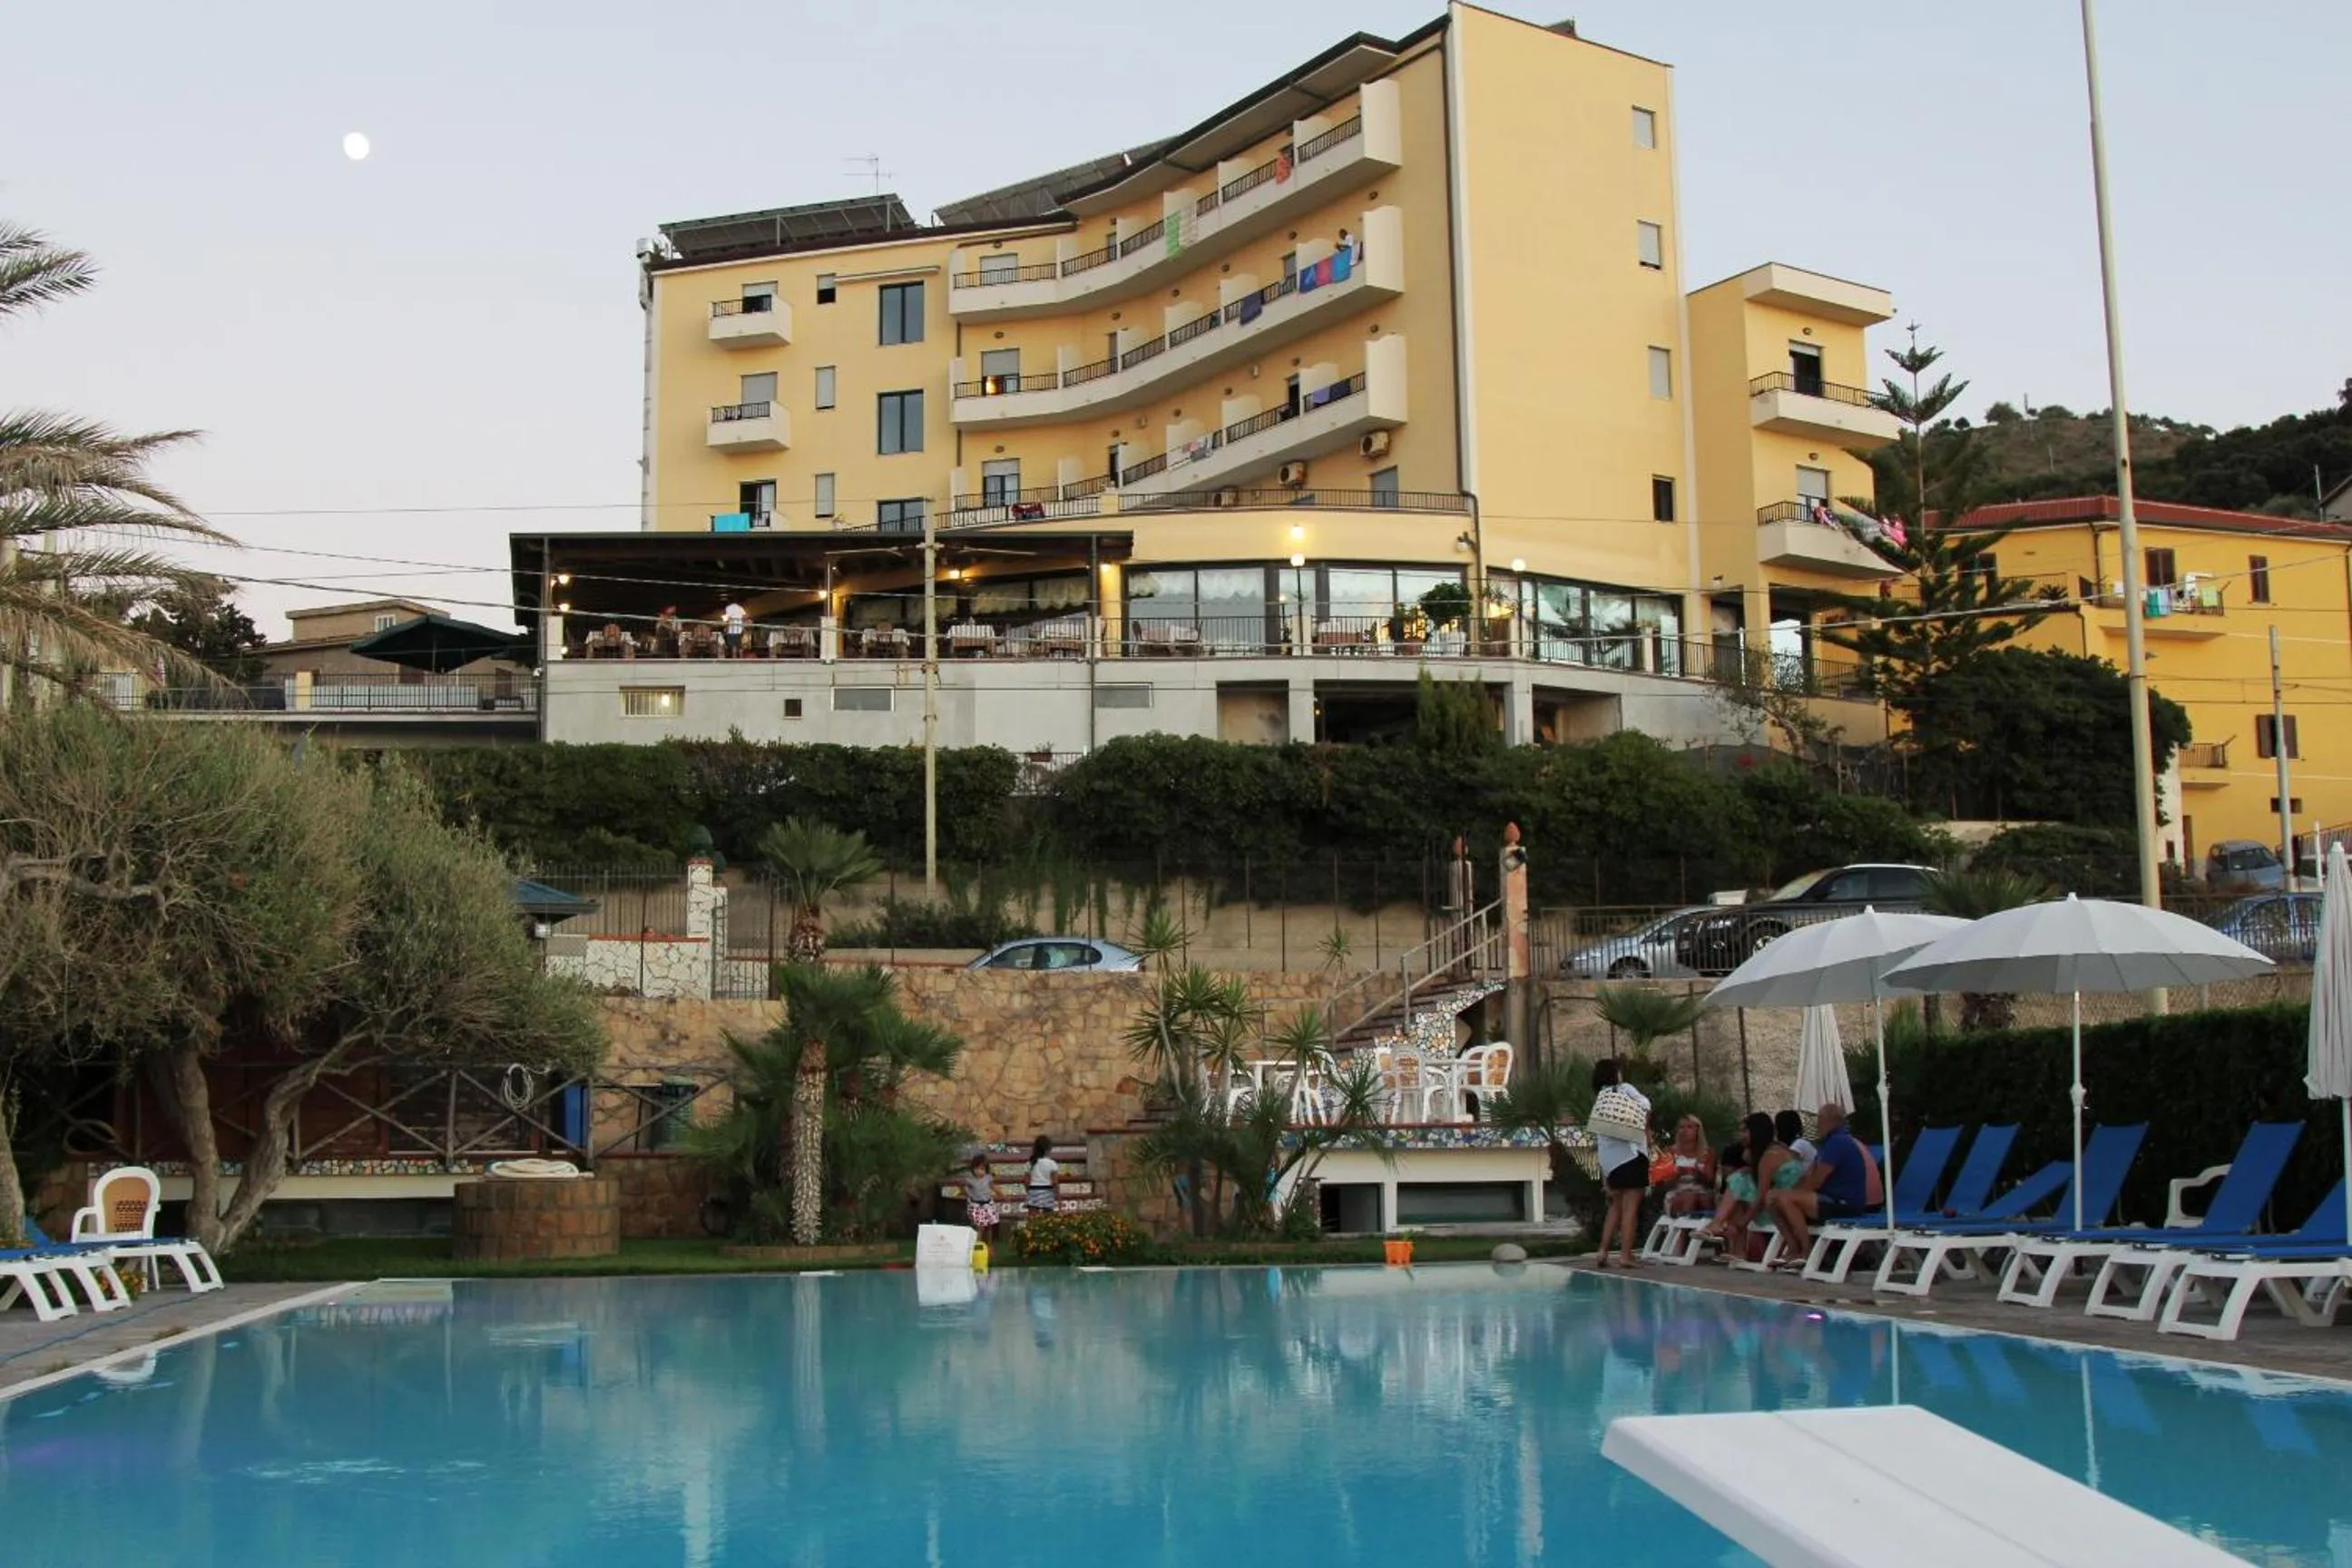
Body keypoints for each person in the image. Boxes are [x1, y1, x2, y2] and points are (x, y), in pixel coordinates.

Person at [1762, 1102, 1873, 1264]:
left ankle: (1805, 1251)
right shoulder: (1829, 1143)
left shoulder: (1838, 1143)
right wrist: (1790, 1191)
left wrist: (1791, 1194)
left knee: (1785, 1199)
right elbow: (1809, 1176)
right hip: (1829, 1198)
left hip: (1845, 1203)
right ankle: (1792, 1248)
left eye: (1819, 1120)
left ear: (1830, 1121)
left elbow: (1816, 1180)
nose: (1817, 1125)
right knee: (1772, 1199)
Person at [1588, 1058, 1651, 1269]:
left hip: (1610, 1162)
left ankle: (1602, 1251)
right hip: (1631, 1155)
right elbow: (1646, 1106)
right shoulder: (1625, 1089)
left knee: (1615, 1206)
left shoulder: (1601, 1098)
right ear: (1616, 1074)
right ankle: (1625, 1255)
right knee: (1630, 1207)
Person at [1659, 1115, 1716, 1217]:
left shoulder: (1708, 1153)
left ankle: (1700, 1229)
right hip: (1676, 1192)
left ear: (1698, 1130)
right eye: (1681, 1127)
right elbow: (1664, 1185)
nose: (1684, 1131)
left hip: (1701, 1191)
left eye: (1689, 1127)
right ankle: (1684, 1231)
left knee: (1704, 1197)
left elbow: (1710, 1182)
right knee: (1690, 1197)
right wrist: (1677, 1174)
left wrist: (1697, 1174)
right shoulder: (1669, 1152)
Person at [963, 1152, 999, 1244]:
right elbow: (964, 1187)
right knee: (980, 1227)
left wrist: (1003, 1195)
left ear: (986, 1170)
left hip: (988, 1204)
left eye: (982, 1169)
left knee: (990, 1226)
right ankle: (978, 1244)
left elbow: (993, 1187)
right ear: (973, 1168)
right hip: (977, 1205)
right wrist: (967, 1193)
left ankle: (989, 1244)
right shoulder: (970, 1179)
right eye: (976, 1168)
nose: (979, 1171)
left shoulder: (988, 1178)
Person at [1024, 1134, 1060, 1216]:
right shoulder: (1052, 1163)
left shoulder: (1030, 1163)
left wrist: (1029, 1191)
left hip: (1033, 1189)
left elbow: (1026, 1181)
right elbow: (1055, 1182)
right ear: (1048, 1149)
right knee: (1048, 1217)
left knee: (1032, 1217)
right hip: (1047, 1190)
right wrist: (1058, 1196)